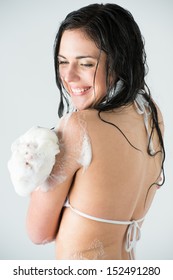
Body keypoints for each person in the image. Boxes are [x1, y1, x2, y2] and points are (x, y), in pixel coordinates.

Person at [9, 3, 165, 260]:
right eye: (63, 62)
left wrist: (35, 159)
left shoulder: (78, 127)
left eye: (86, 64)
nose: (68, 76)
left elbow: (38, 233)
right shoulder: (150, 114)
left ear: (119, 62)